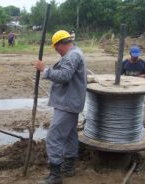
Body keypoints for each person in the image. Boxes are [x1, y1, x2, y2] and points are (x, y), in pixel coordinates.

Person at [34, 30, 87, 184]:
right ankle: (69, 167)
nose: (57, 52)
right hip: (70, 102)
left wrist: (45, 70)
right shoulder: (76, 53)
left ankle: (55, 175)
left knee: (53, 137)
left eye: (57, 49)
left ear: (60, 44)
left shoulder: (72, 55)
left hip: (67, 104)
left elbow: (64, 76)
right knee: (70, 135)